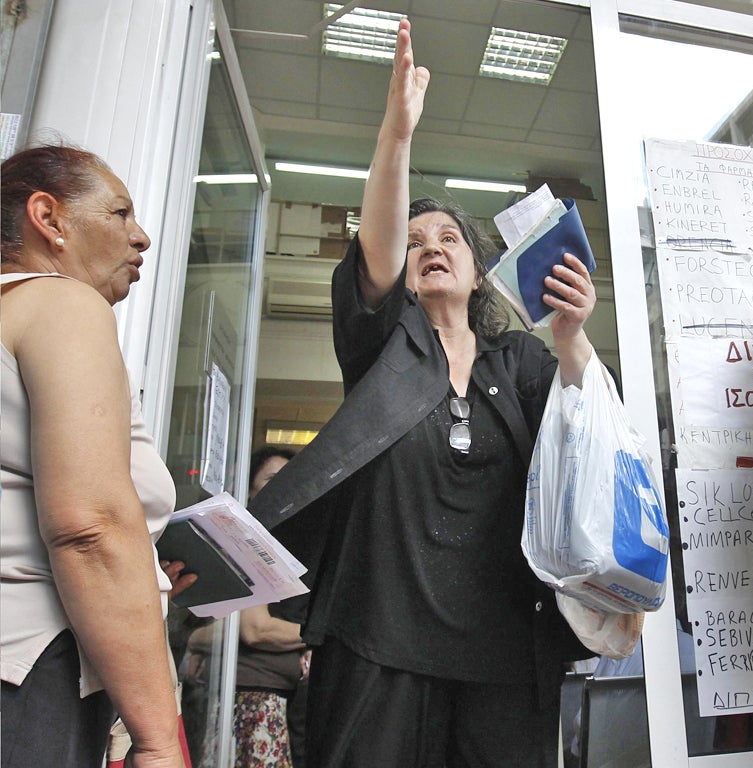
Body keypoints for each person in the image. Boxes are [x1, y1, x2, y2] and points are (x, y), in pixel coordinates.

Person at [248, 18, 597, 768]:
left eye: (449, 239)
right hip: (377, 641)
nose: (431, 246)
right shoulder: (384, 348)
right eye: (416, 242)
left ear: (479, 271)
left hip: (505, 648)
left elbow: (586, 433)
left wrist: (572, 335)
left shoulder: (521, 361)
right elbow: (374, 253)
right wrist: (397, 135)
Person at [1, 145, 189, 767]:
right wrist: (159, 741)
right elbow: (90, 529)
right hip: (26, 669)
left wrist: (147, 578)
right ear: (48, 219)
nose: (142, 237)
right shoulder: (61, 303)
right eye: (119, 213)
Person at [186, 447, 307, 768]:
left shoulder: (297, 545)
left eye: (292, 479)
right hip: (251, 696)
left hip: (284, 698)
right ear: (250, 489)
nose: (284, 487)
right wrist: (319, 636)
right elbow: (255, 629)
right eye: (271, 479)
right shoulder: (245, 541)